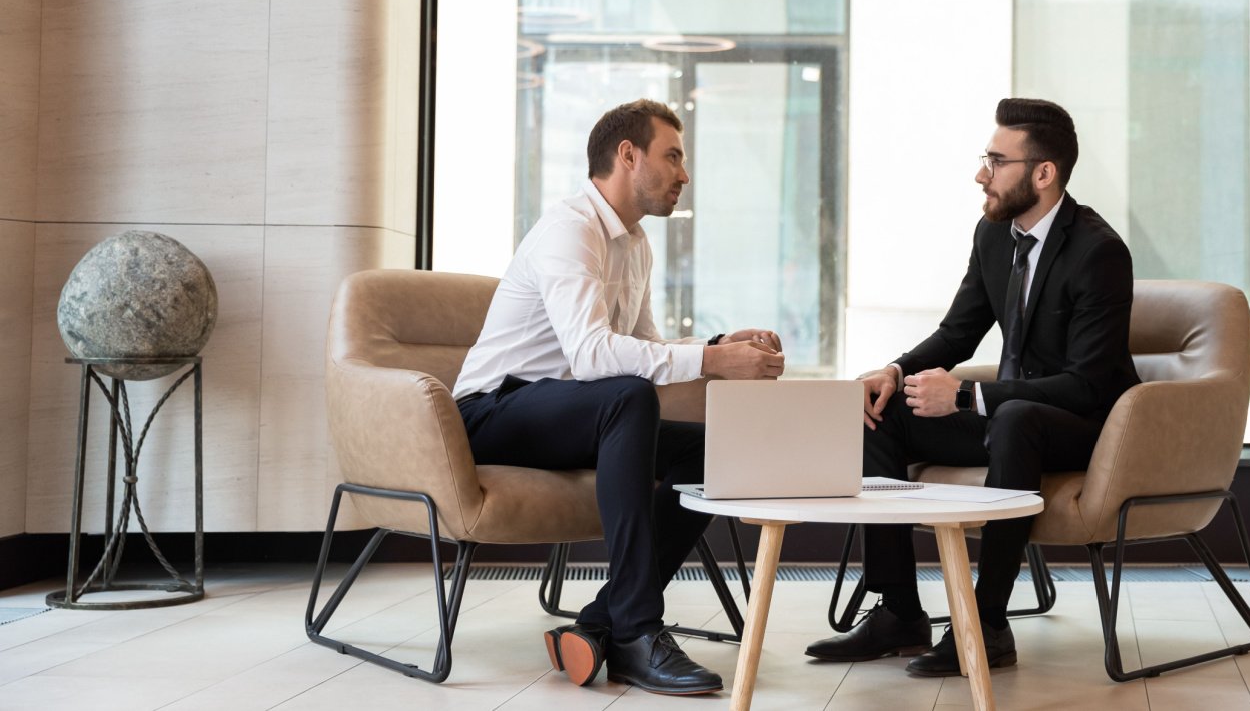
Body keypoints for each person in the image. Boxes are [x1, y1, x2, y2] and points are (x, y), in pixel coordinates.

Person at [452, 99, 785, 696]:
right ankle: (637, 629)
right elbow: (593, 357)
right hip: (492, 410)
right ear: (628, 155)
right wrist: (712, 361)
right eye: (674, 156)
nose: (685, 174)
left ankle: (603, 621)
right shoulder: (569, 229)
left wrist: (716, 346)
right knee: (627, 397)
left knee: (710, 454)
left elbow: (643, 348)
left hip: (572, 413)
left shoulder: (634, 244)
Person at [805, 97, 1140, 676]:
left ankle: (985, 624)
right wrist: (894, 370)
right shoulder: (994, 237)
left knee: (1014, 419)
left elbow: (1086, 385)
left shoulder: (1100, 253)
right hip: (1010, 419)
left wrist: (965, 396)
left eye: (995, 161)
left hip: (1082, 427)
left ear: (1043, 173)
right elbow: (957, 333)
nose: (980, 174)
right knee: (882, 411)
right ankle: (899, 612)